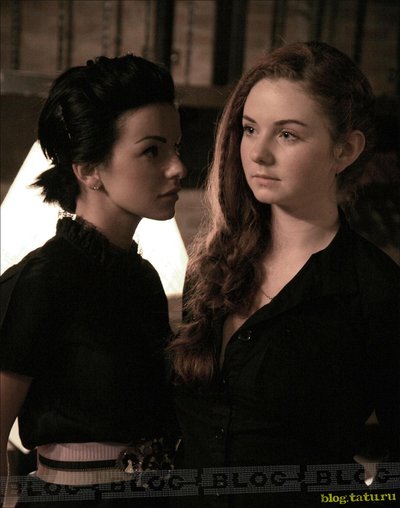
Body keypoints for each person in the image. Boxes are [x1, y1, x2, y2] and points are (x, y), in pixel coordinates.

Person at [168, 41, 399, 507]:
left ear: (345, 150)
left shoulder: (375, 290)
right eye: (250, 129)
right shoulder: (210, 267)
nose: (258, 153)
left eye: (288, 134)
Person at [1, 54, 186, 507]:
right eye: (152, 150)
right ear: (88, 169)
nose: (178, 167)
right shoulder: (42, 280)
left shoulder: (143, 277)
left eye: (176, 147)